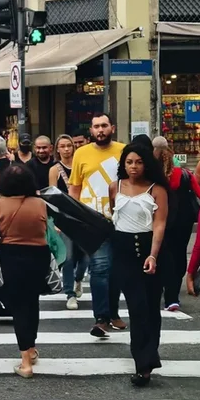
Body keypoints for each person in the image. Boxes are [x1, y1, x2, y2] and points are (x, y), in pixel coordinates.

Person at [0, 163, 50, 378]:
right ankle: (32, 348)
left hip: (12, 256)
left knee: (19, 307)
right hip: (39, 255)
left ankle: (25, 362)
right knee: (32, 302)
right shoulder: (40, 204)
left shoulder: (2, 205)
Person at [109, 143, 168, 386]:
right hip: (123, 251)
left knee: (151, 307)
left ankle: (148, 356)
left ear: (147, 164)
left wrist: (153, 255)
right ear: (123, 164)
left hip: (148, 249)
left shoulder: (157, 190)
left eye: (139, 162)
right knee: (137, 307)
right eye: (129, 162)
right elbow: (113, 215)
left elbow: (159, 224)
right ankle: (143, 364)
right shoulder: (115, 187)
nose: (134, 167)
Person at [69, 113, 127, 338]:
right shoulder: (81, 153)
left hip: (120, 218)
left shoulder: (123, 151)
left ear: (112, 127)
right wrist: (73, 217)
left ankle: (113, 313)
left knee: (116, 270)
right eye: (96, 126)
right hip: (92, 221)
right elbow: (75, 187)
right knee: (100, 267)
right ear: (91, 130)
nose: (100, 130)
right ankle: (101, 318)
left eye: (104, 125)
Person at [155, 147, 200, 310]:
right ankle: (172, 295)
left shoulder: (154, 178)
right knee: (179, 255)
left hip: (161, 220)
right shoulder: (185, 174)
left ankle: (162, 289)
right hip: (183, 222)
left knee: (161, 255)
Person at [48, 134, 85, 310]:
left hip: (83, 216)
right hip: (64, 217)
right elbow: (52, 196)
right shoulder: (54, 170)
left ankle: (79, 278)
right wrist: (54, 221)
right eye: (62, 146)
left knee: (86, 255)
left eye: (69, 145)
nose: (66, 149)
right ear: (57, 149)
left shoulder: (80, 165)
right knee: (68, 257)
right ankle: (70, 293)